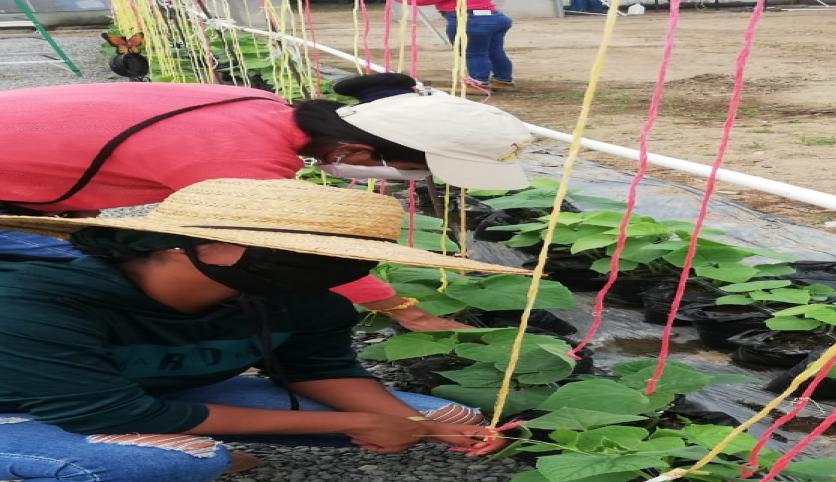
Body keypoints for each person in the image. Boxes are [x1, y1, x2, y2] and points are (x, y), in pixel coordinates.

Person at [0, 178, 520, 482]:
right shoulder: (34, 297)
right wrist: (357, 422)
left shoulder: (295, 293)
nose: (322, 269)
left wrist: (412, 426)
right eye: (291, 252)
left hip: (143, 391)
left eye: (342, 257)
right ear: (192, 243)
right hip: (27, 406)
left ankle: (143, 448)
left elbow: (317, 369)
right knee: (181, 459)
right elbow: (105, 410)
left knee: (449, 418)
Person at [0, 75, 531, 329]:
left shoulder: (263, 107)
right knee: (82, 284)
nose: (394, 178)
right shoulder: (243, 159)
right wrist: (402, 309)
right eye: (400, 168)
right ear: (354, 150)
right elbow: (300, 250)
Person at [414, 0, 514, 91]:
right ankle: (503, 79)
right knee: (494, 52)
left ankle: (478, 82)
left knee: (473, 53)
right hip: (493, 16)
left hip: (470, 18)